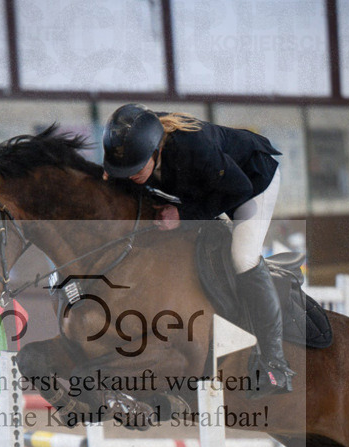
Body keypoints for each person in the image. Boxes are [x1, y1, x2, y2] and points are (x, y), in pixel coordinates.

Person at [100, 103, 291, 394]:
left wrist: (183, 215)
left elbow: (238, 190)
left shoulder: (193, 146)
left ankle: (276, 365)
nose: (130, 174)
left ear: (155, 151)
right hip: (210, 187)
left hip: (252, 181)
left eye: (135, 168)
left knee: (243, 258)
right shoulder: (133, 145)